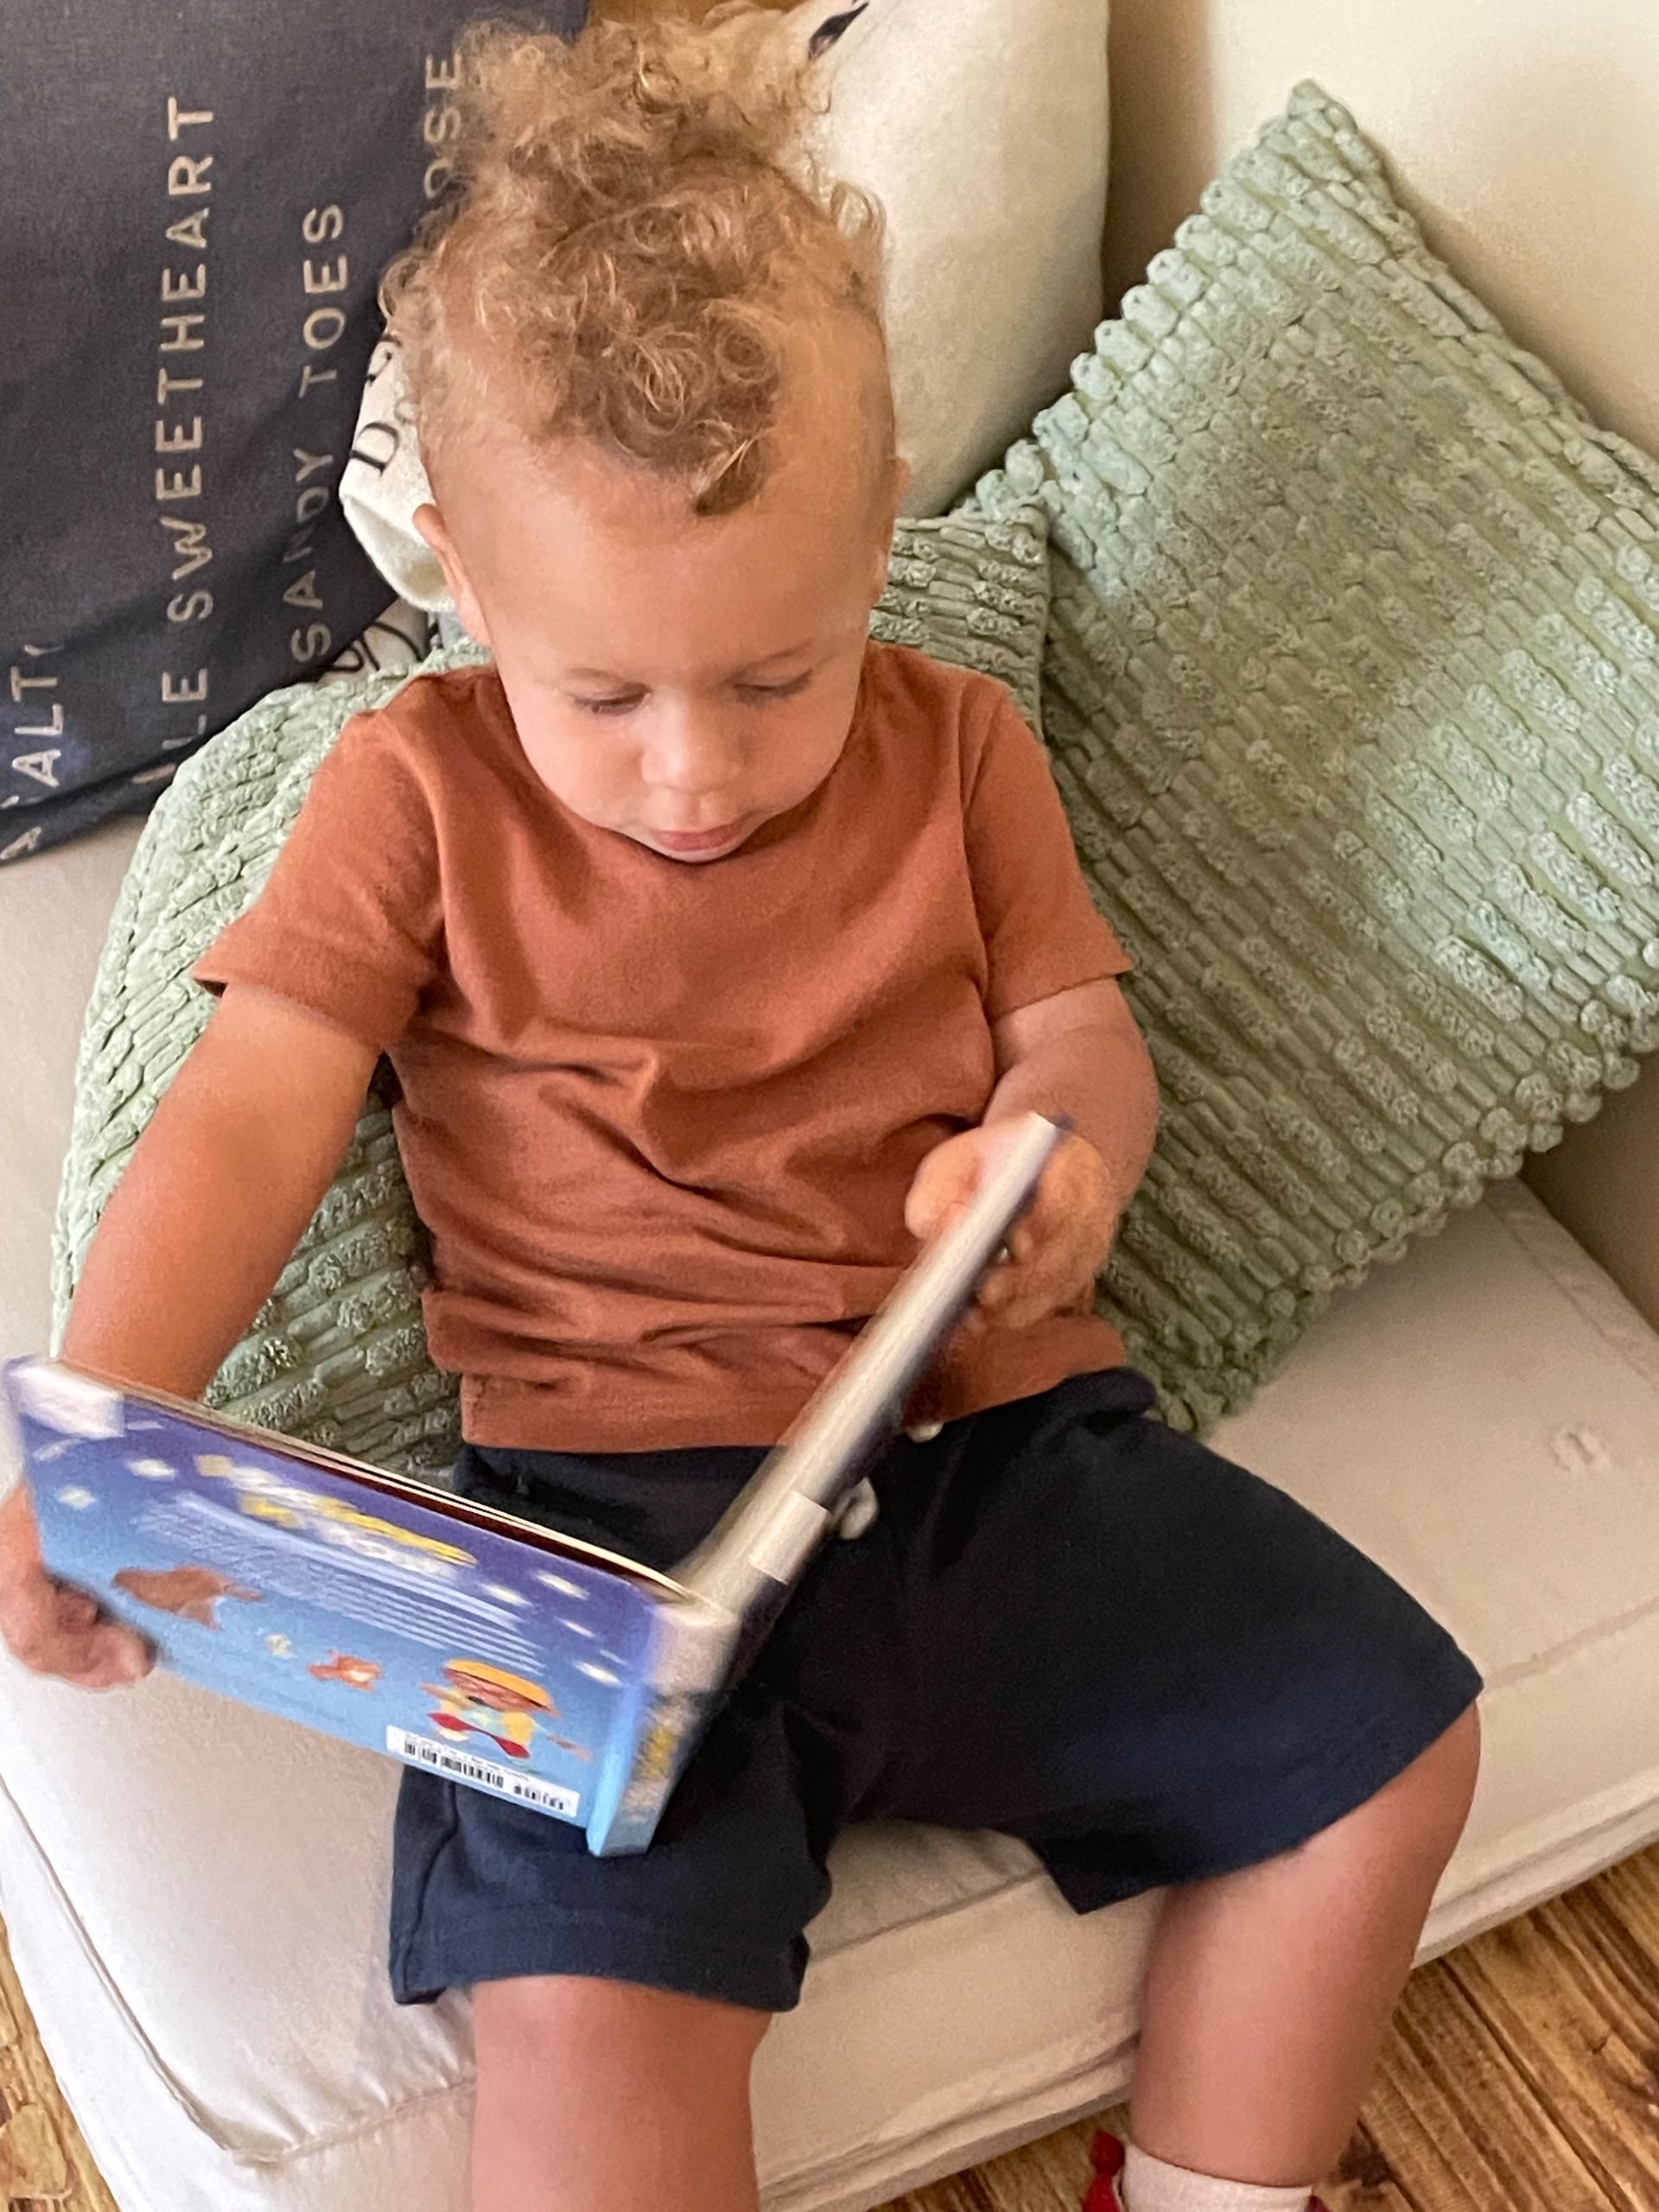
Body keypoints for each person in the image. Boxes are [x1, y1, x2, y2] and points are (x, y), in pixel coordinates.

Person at [0, 16, 1481, 2211]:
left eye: (774, 674)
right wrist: (102, 1421)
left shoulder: (964, 749)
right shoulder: (409, 790)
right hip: (599, 1555)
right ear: (466, 590)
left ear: (880, 524)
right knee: (590, 2074)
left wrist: (1059, 1164)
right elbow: (246, 1114)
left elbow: (1085, 1039)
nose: (695, 767)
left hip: (986, 1460)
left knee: (1395, 1744)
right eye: (600, 693)